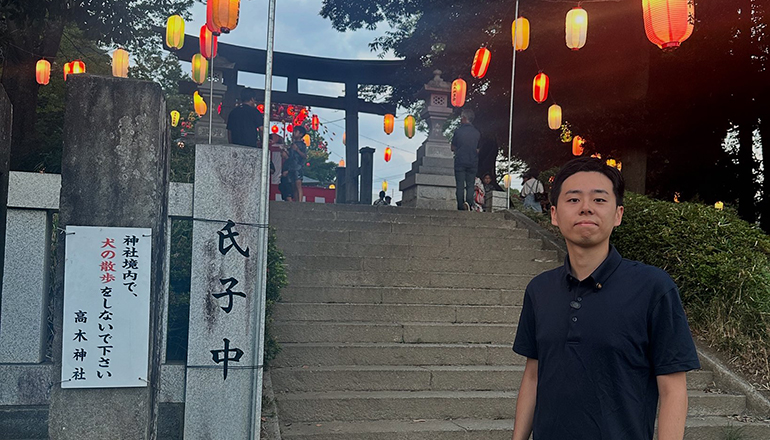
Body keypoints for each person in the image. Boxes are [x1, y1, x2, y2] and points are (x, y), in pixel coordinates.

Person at [511, 157, 700, 440]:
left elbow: (673, 389)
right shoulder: (539, 290)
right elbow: (533, 376)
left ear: (618, 215)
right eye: (573, 200)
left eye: (599, 200)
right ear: (554, 214)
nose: (586, 207)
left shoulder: (653, 288)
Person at [451, 108, 481, 210]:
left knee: (460, 184)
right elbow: (478, 149)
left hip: (460, 160)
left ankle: (460, 206)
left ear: (464, 118)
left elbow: (453, 147)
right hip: (473, 161)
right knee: (470, 185)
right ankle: (469, 204)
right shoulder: (477, 133)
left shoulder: (458, 132)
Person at [288, 125, 308, 202]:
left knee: (298, 184)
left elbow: (305, 155)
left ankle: (300, 201)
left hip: (298, 166)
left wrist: (297, 150)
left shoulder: (302, 145)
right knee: (293, 186)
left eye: (295, 131)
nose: (293, 133)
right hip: (291, 166)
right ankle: (296, 200)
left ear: (301, 134)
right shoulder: (292, 144)